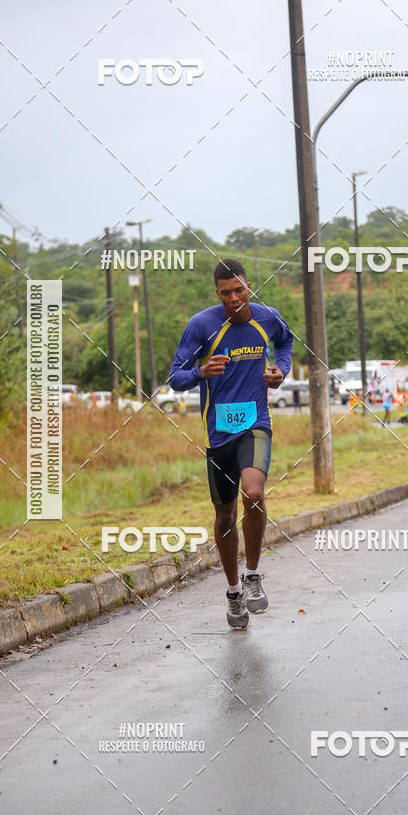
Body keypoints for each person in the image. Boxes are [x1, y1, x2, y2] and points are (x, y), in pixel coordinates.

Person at [169, 258, 293, 627]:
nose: (234, 298)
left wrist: (281, 371)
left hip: (256, 423)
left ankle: (253, 575)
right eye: (226, 293)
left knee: (253, 493)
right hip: (218, 432)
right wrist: (201, 371)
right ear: (217, 292)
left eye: (240, 290)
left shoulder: (267, 318)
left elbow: (285, 342)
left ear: (248, 286)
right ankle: (234, 591)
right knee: (224, 515)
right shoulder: (202, 325)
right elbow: (175, 378)